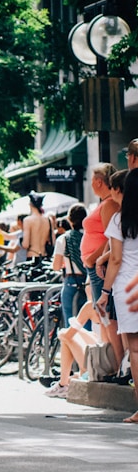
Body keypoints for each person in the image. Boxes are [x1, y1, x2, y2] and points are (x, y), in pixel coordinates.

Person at [98, 168, 138, 423]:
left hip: (127, 287)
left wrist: (104, 292)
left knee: (135, 349)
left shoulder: (120, 219)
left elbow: (115, 259)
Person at [44, 301, 104, 398]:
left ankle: (63, 383)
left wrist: (62, 334)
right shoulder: (115, 304)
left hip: (103, 363)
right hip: (113, 362)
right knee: (72, 334)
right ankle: (64, 381)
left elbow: (67, 336)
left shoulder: (91, 306)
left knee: (65, 335)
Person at [82, 163, 119, 302]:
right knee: (100, 310)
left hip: (101, 266)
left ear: (98, 182)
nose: (91, 184)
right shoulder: (106, 203)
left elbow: (112, 237)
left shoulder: (109, 204)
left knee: (103, 311)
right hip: (97, 265)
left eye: (92, 180)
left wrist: (92, 259)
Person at [52, 204, 88, 326]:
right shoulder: (88, 237)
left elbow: (56, 266)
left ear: (69, 219)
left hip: (71, 282)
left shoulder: (64, 239)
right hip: (88, 282)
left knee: (70, 323)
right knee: (87, 321)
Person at [21, 192, 54, 260]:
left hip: (32, 255)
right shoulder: (49, 220)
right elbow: (53, 241)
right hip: (45, 255)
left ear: (30, 204)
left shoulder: (27, 220)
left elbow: (25, 244)